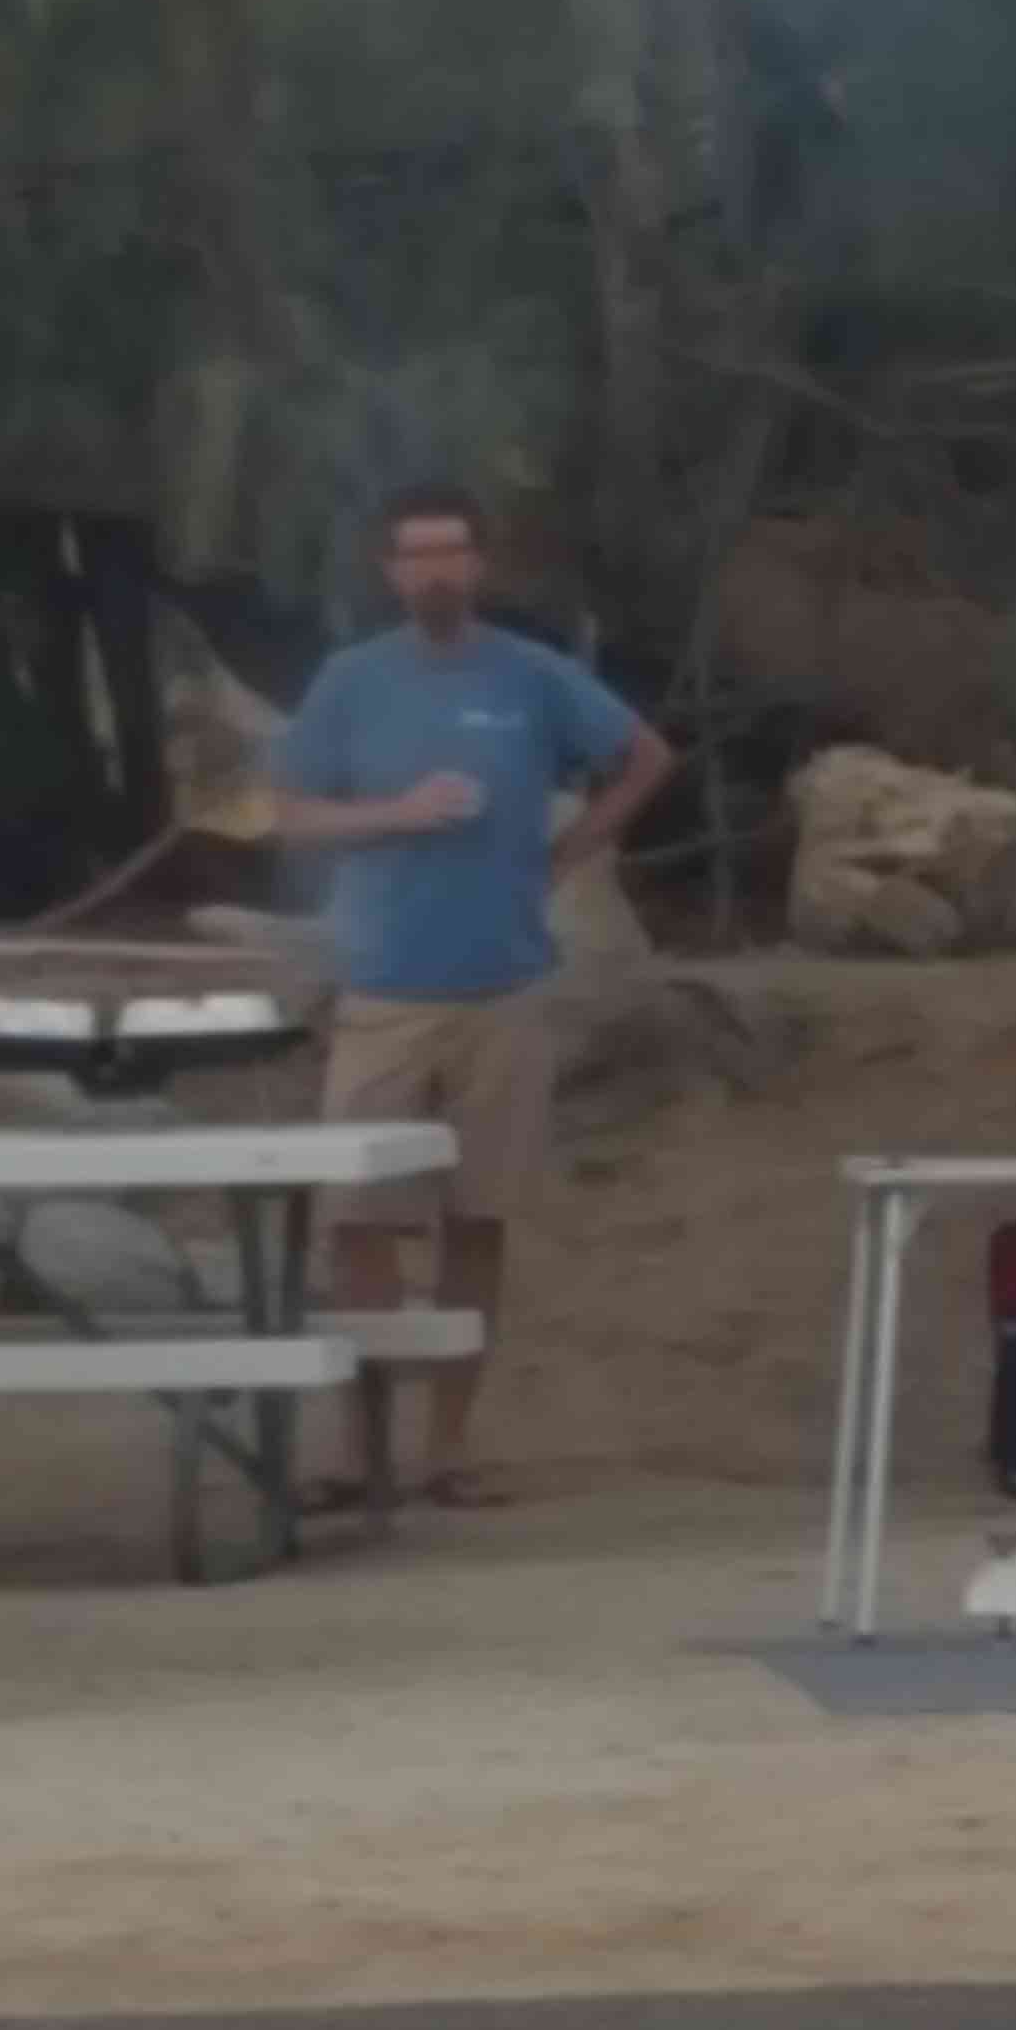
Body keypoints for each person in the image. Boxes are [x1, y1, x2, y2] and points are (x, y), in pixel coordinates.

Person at [274, 484, 675, 1511]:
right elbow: (293, 814)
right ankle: (359, 1451)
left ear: (479, 565)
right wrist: (398, 813)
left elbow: (645, 759)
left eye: (452, 553)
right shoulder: (353, 680)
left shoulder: (530, 675)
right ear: (389, 571)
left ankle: (448, 1453)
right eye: (417, 556)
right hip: (382, 991)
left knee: (478, 1220)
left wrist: (567, 852)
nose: (436, 572)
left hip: (504, 989)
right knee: (359, 1223)